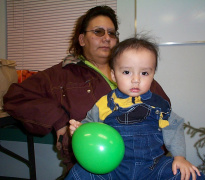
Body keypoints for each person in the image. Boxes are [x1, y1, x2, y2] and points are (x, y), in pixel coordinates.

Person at [3, 6, 170, 174]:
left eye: (112, 33)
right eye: (98, 32)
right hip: (92, 167)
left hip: (145, 164)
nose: (107, 38)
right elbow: (16, 97)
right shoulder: (61, 75)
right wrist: (59, 121)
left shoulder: (132, 72)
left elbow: (164, 109)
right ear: (82, 39)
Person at [66, 37, 205, 180]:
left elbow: (174, 128)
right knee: (78, 174)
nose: (136, 79)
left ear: (153, 75)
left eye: (144, 73)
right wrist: (80, 129)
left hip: (154, 167)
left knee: (192, 175)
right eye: (127, 72)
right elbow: (90, 125)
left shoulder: (159, 105)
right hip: (112, 170)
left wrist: (180, 157)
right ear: (114, 75)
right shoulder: (105, 103)